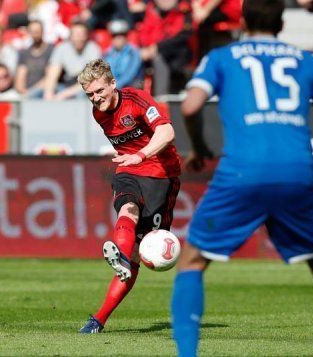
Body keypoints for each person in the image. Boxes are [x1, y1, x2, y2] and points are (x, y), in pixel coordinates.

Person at [171, 1, 313, 356]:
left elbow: (190, 106)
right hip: (297, 172)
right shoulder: (306, 61)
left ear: (242, 19)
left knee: (193, 261)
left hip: (242, 170)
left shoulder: (223, 57)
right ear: (282, 21)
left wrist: (199, 147)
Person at [77, 58, 181, 334]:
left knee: (138, 254)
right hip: (128, 168)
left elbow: (167, 131)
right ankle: (97, 320)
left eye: (100, 91)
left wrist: (141, 154)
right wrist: (132, 158)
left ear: (113, 83)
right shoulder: (98, 112)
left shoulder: (137, 100)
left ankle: (121, 268)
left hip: (161, 174)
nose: (96, 98)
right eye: (90, 94)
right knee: (127, 210)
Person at [44, 21, 101, 100]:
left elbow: (90, 81)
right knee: (41, 92)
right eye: (76, 35)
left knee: (82, 95)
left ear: (86, 36)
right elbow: (53, 73)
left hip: (85, 87)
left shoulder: (93, 49)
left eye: (82, 35)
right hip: (67, 83)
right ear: (70, 36)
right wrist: (49, 94)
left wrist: (64, 94)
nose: (79, 38)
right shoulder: (61, 48)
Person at [14, 20, 54, 99]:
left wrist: (31, 93)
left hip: (43, 91)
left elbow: (49, 77)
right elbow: (20, 76)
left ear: (42, 31)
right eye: (33, 32)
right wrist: (22, 91)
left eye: (37, 31)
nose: (35, 34)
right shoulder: (24, 53)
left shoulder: (51, 50)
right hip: (27, 93)